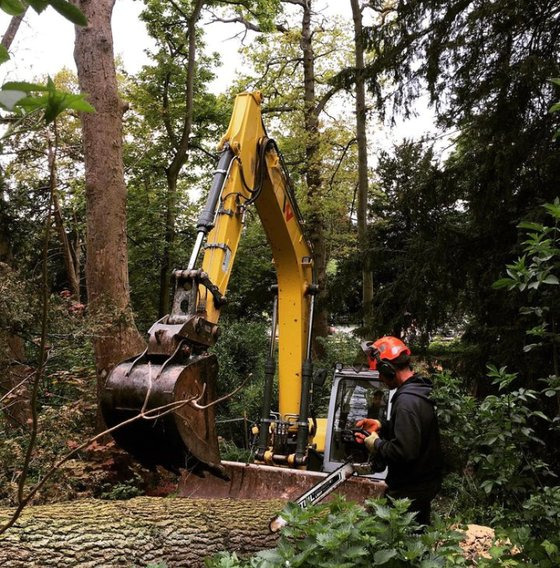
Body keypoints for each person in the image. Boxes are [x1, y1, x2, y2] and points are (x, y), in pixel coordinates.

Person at [355, 336, 443, 526]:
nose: (379, 377)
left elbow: (405, 451)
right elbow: (415, 430)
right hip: (422, 485)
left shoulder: (406, 402)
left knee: (389, 539)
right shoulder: (419, 391)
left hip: (408, 492)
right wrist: (381, 426)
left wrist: (376, 443)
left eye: (380, 372)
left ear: (388, 369)